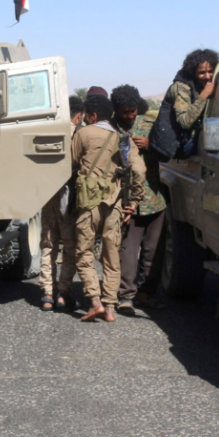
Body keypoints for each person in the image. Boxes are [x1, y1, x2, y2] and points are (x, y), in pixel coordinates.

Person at [58, 93, 145, 322]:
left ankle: (94, 301)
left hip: (87, 202)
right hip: (114, 203)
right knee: (111, 254)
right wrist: (134, 201)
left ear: (92, 115)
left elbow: (70, 164)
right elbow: (139, 171)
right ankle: (109, 308)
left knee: (84, 252)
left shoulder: (84, 133)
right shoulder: (122, 138)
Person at [116, 88, 166, 315]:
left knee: (152, 252)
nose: (129, 116)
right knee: (127, 250)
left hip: (155, 200)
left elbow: (168, 153)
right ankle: (126, 295)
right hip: (126, 202)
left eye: (132, 111)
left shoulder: (149, 126)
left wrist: (150, 145)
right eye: (124, 112)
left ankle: (146, 293)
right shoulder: (110, 131)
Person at [37, 94, 84, 310]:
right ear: (78, 116)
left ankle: (47, 293)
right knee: (69, 247)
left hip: (47, 195)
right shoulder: (79, 135)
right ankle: (63, 293)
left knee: (48, 244)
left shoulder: (47, 131)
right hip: (68, 199)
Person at [162, 48, 219, 152]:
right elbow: (185, 122)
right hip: (181, 143)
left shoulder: (212, 83)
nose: (207, 76)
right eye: (202, 73)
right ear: (193, 73)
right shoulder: (182, 87)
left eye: (210, 71)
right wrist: (203, 95)